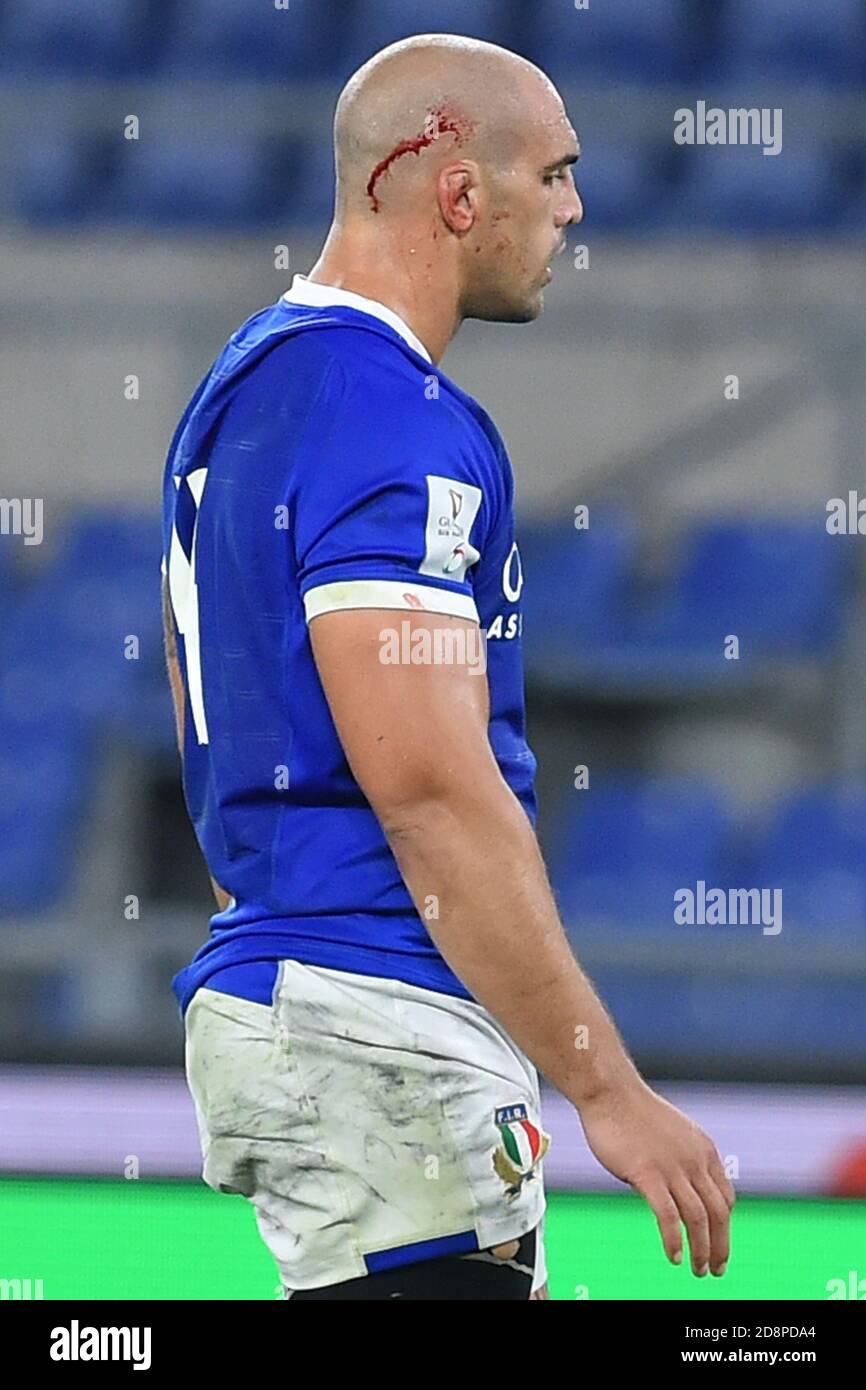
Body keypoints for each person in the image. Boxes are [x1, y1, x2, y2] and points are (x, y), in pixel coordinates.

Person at [161, 33, 734, 1300]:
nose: (575, 209)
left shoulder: (247, 385)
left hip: (293, 991)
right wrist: (605, 1085)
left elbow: (214, 710)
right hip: (382, 1025)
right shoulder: (388, 419)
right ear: (459, 192)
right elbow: (426, 784)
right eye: (555, 174)